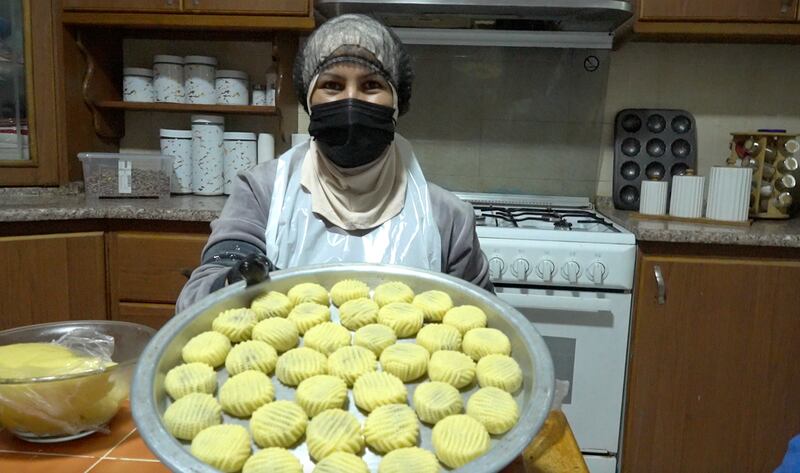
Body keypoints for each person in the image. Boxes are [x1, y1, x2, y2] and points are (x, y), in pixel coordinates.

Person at [176, 14, 491, 312]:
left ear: (397, 102)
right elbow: (196, 297)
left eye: (371, 86)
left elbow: (486, 321)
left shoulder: (446, 218)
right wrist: (232, 279)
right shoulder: (263, 192)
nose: (350, 101)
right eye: (332, 85)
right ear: (309, 99)